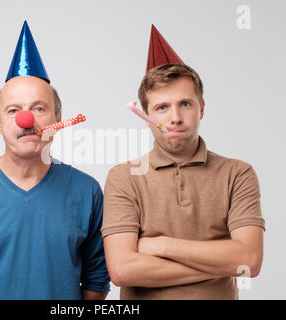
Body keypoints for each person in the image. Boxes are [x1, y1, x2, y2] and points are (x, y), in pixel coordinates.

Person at [0, 21, 110, 300]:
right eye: (13, 110)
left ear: (58, 121)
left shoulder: (87, 191)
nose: (26, 120)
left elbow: (96, 279)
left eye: (39, 108)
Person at [101, 25, 265, 299]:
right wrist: (220, 265)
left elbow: (249, 259)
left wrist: (161, 245)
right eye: (162, 107)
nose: (175, 118)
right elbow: (122, 270)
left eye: (185, 104)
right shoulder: (123, 177)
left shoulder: (238, 174)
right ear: (145, 116)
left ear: (201, 107)